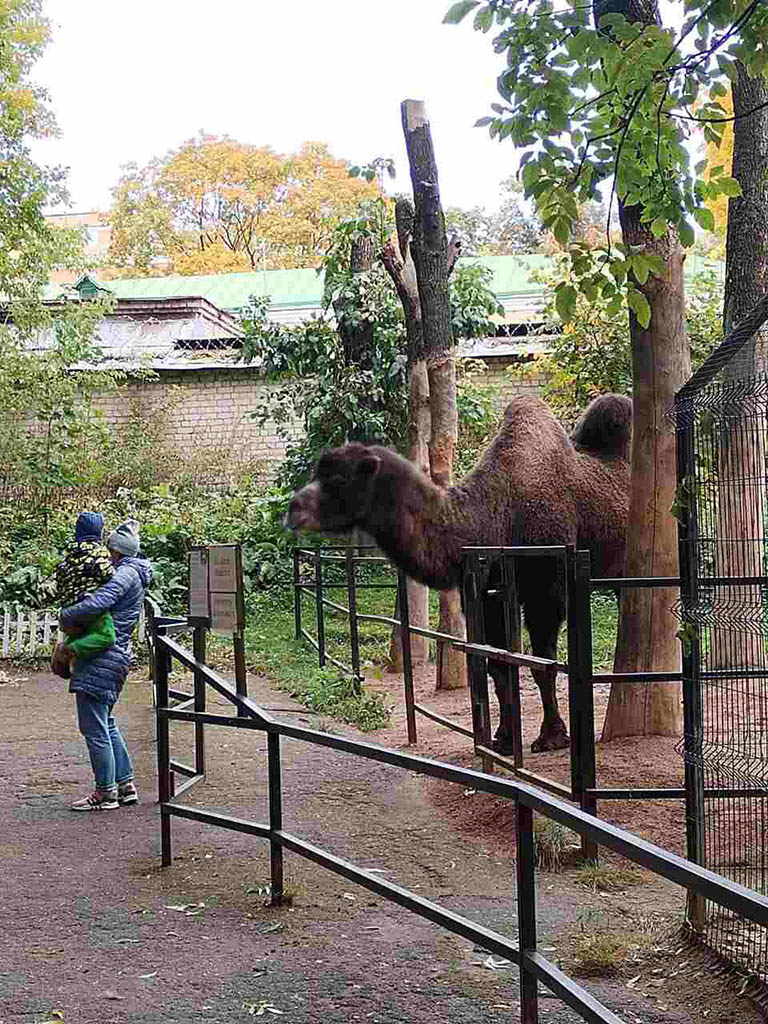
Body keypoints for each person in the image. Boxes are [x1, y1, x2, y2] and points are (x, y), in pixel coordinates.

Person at [60, 519, 153, 812]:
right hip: (116, 656)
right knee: (106, 723)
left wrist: (67, 614)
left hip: (102, 657)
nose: (105, 554)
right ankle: (125, 786)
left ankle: (105, 793)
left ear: (116, 550)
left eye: (109, 548)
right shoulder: (132, 572)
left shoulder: (124, 574)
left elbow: (99, 602)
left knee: (93, 727)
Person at [50, 511, 116, 681]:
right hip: (90, 606)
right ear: (99, 533)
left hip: (70, 608)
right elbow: (108, 574)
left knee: (80, 635)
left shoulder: (69, 556)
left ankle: (70, 661)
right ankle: (68, 650)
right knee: (107, 636)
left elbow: (59, 582)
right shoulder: (98, 552)